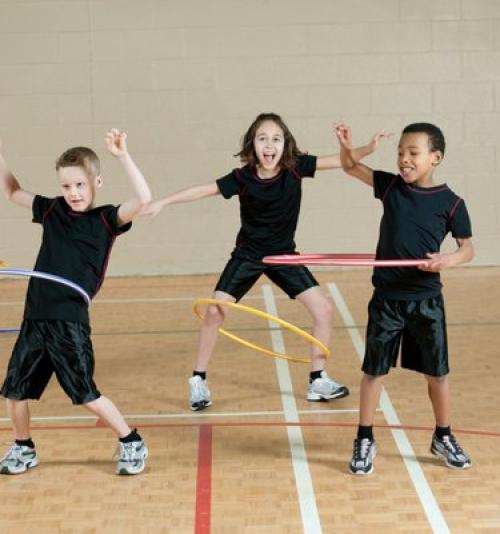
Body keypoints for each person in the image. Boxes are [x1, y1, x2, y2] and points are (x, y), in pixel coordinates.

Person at [143, 112, 384, 411]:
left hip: (283, 255)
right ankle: (198, 379)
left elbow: (341, 161)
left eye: (276, 138)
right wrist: (163, 202)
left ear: (285, 145)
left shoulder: (296, 168)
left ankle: (317, 379)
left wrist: (367, 148)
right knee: (215, 311)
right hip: (248, 255)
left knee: (323, 308)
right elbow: (205, 189)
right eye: (262, 138)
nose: (269, 145)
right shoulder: (242, 178)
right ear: (252, 144)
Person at [0, 129, 151, 475]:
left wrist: (122, 155)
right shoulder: (52, 210)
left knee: (85, 395)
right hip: (35, 317)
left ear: (96, 181)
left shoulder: (106, 220)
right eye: (66, 186)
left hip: (69, 320)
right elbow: (10, 191)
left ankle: (130, 440)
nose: (73, 193)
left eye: (80, 185)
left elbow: (143, 199)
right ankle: (24, 448)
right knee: (14, 391)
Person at [335, 121, 474, 475]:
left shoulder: (452, 203)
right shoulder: (391, 186)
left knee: (438, 374)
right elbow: (350, 167)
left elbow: (467, 249)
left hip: (426, 301)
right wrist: (352, 145)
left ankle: (443, 435)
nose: (404, 159)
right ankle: (364, 438)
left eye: (413, 153)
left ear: (435, 157)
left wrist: (448, 260)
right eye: (401, 153)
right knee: (374, 371)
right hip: (387, 299)